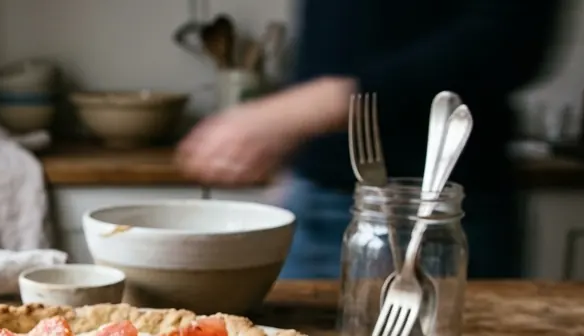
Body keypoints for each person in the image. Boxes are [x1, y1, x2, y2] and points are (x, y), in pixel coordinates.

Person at [177, 0, 563, 279]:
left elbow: (510, 37)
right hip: (315, 197)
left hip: (436, 210)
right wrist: (301, 155)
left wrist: (315, 106)